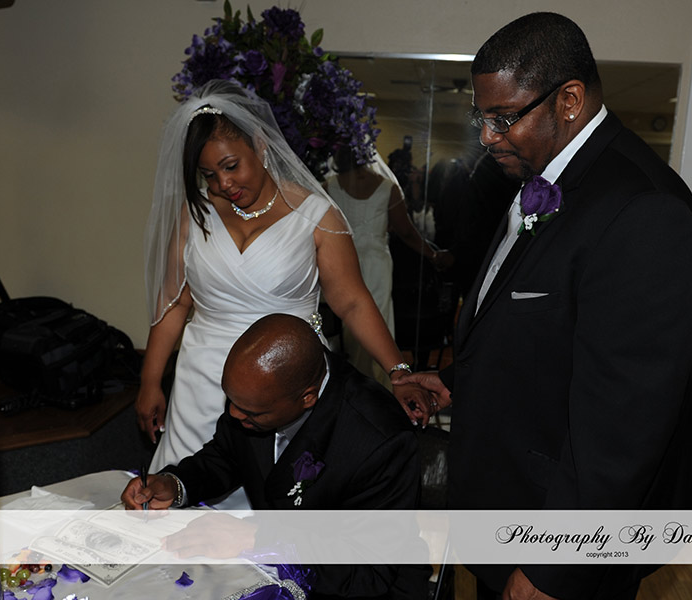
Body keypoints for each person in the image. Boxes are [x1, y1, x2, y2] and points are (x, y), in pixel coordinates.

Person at [395, 12, 692, 600]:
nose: (487, 137)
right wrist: (455, 380)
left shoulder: (644, 211)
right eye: (482, 118)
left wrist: (555, 566)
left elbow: (624, 422)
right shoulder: (547, 174)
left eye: (503, 118)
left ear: (569, 101)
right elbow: (549, 332)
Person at [139, 81, 430, 508]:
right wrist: (150, 381)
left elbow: (352, 301)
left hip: (283, 383)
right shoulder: (194, 213)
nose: (223, 183)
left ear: (260, 145)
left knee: (272, 498)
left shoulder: (316, 214)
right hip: (200, 379)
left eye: (231, 166)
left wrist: (399, 371)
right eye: (209, 175)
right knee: (184, 492)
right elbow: (175, 302)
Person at [122, 313, 430, 599]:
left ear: (307, 398)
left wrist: (259, 539)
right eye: (231, 401)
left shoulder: (381, 441)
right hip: (276, 571)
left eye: (250, 412)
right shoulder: (256, 393)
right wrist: (175, 484)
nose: (233, 414)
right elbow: (226, 456)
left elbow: (367, 571)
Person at [323, 146, 452, 384]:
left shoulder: (327, 186)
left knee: (344, 323)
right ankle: (376, 382)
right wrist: (433, 255)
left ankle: (347, 382)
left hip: (338, 261)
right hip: (376, 265)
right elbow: (407, 232)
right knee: (376, 319)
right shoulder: (386, 187)